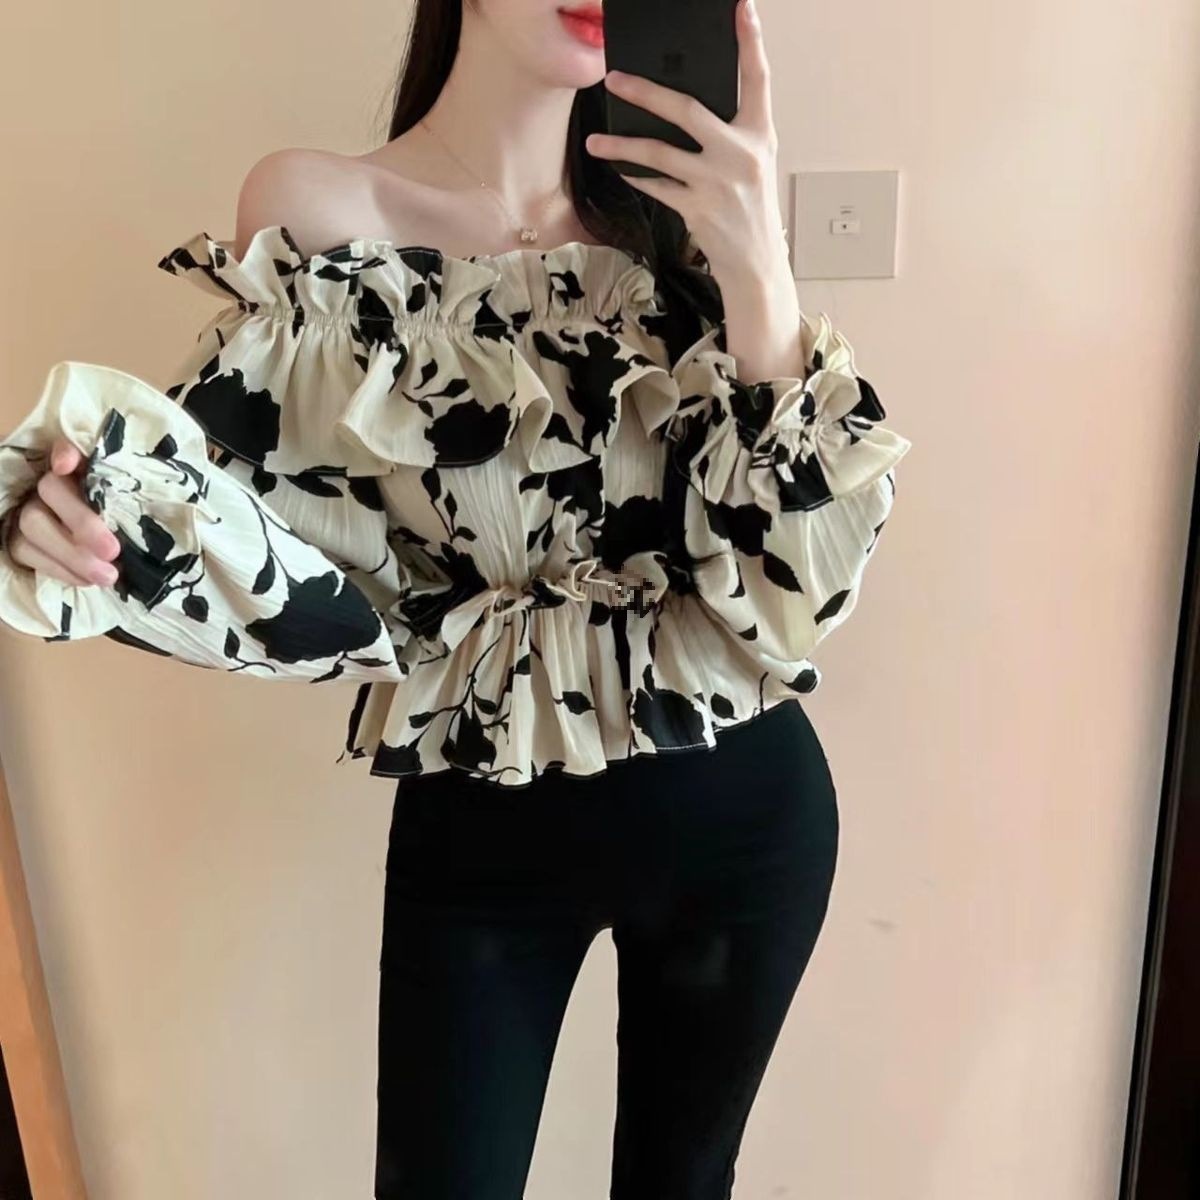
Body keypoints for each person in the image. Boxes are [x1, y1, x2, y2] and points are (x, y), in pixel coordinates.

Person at [0, 0, 912, 1195]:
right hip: (485, 817)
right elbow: (264, 537)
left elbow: (799, 595)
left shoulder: (687, 226)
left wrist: (758, 270)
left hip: (743, 809)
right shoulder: (322, 211)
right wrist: (84, 512)